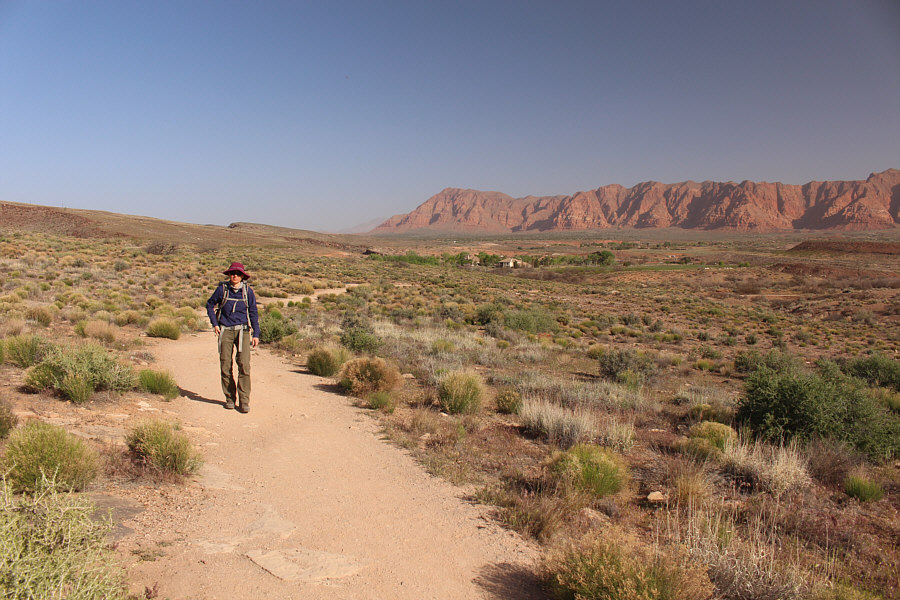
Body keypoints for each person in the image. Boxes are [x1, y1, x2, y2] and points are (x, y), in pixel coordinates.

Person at [205, 262, 260, 413]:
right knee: (225, 365)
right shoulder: (222, 289)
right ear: (229, 275)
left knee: (244, 365)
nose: (235, 276)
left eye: (238, 273)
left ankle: (244, 401)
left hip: (242, 331)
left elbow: (253, 313)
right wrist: (215, 323)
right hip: (225, 330)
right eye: (232, 273)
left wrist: (256, 334)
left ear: (242, 276)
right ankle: (229, 398)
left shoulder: (247, 292)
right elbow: (210, 305)